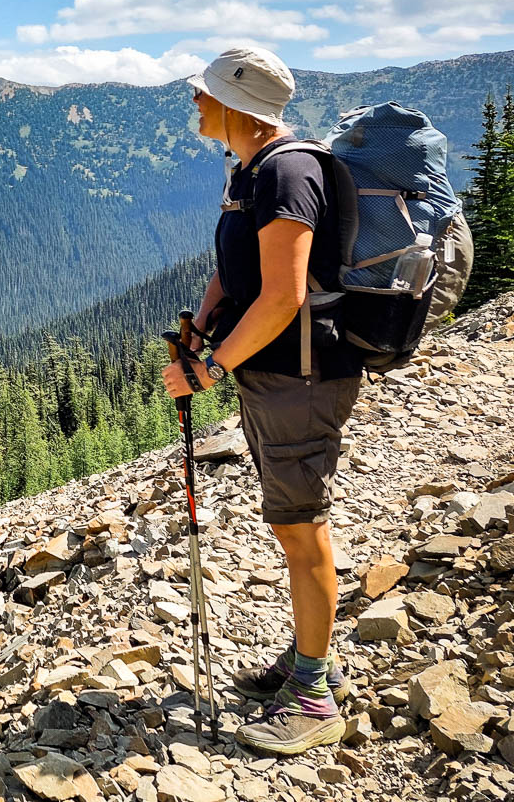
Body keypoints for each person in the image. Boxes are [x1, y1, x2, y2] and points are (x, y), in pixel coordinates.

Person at [161, 47, 363, 756]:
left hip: (304, 378)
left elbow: (285, 295)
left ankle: (314, 694)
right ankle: (309, 661)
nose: (194, 103)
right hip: (277, 376)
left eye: (204, 94)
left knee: (300, 526)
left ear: (237, 106)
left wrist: (209, 369)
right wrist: (204, 326)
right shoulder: (250, 170)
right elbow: (234, 271)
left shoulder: (285, 170)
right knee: (289, 520)